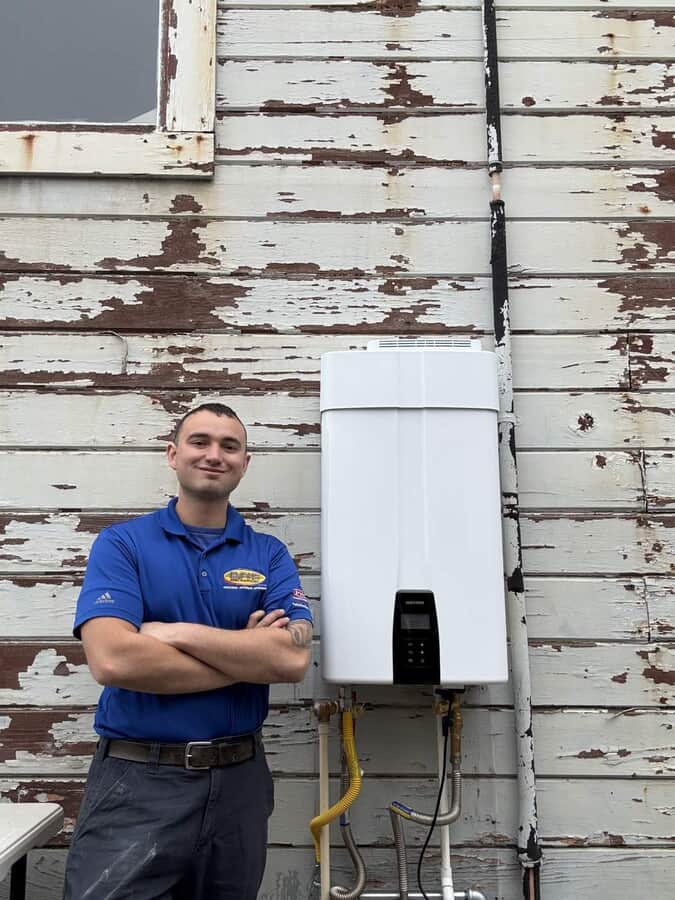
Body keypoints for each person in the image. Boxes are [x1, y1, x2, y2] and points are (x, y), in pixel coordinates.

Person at [63, 403, 313, 900]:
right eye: (200, 442)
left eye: (230, 446)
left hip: (239, 785)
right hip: (138, 779)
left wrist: (173, 633)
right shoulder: (123, 545)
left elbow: (290, 660)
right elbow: (113, 660)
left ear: (245, 463)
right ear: (173, 455)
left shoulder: (268, 554)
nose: (214, 454)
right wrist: (246, 656)